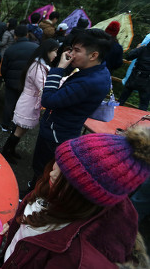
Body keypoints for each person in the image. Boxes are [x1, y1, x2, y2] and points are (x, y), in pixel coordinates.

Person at [0, 126, 150, 268]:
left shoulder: (74, 259)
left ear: (82, 195)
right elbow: (35, 201)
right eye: (57, 163)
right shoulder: (57, 191)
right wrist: (16, 222)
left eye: (63, 175)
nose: (51, 173)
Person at [28, 29, 112, 190]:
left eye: (77, 50)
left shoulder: (88, 82)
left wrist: (59, 68)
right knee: (49, 168)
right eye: (71, 49)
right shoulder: (100, 71)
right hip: (67, 129)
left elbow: (48, 100)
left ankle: (32, 194)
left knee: (43, 169)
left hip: (56, 133)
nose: (71, 54)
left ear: (93, 55)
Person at [2, 39, 59, 163]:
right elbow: (43, 86)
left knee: (22, 130)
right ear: (47, 51)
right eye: (55, 51)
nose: (56, 54)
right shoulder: (38, 66)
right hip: (28, 102)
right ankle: (6, 152)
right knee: (19, 130)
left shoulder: (40, 64)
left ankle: (10, 150)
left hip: (30, 101)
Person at [0, 25, 38, 131]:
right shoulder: (36, 48)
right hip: (28, 83)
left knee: (9, 103)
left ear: (15, 36)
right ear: (27, 34)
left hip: (11, 83)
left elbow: (4, 69)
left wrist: (6, 79)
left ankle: (5, 125)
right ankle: (17, 126)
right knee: (22, 104)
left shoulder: (10, 49)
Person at [119, 42, 150, 111]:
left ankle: (112, 116)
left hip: (135, 76)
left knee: (122, 100)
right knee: (143, 105)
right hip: (147, 79)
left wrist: (137, 48)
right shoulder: (143, 49)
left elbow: (128, 57)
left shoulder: (143, 49)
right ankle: (141, 121)